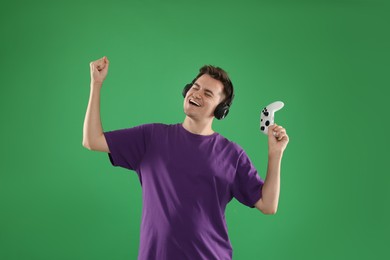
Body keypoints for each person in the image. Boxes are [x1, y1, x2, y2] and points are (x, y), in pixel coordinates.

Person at [83, 56, 289, 260]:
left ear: (221, 109)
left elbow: (268, 205)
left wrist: (275, 154)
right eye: (195, 86)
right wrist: (96, 83)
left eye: (207, 93)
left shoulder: (232, 155)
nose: (196, 93)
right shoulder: (151, 137)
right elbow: (92, 140)